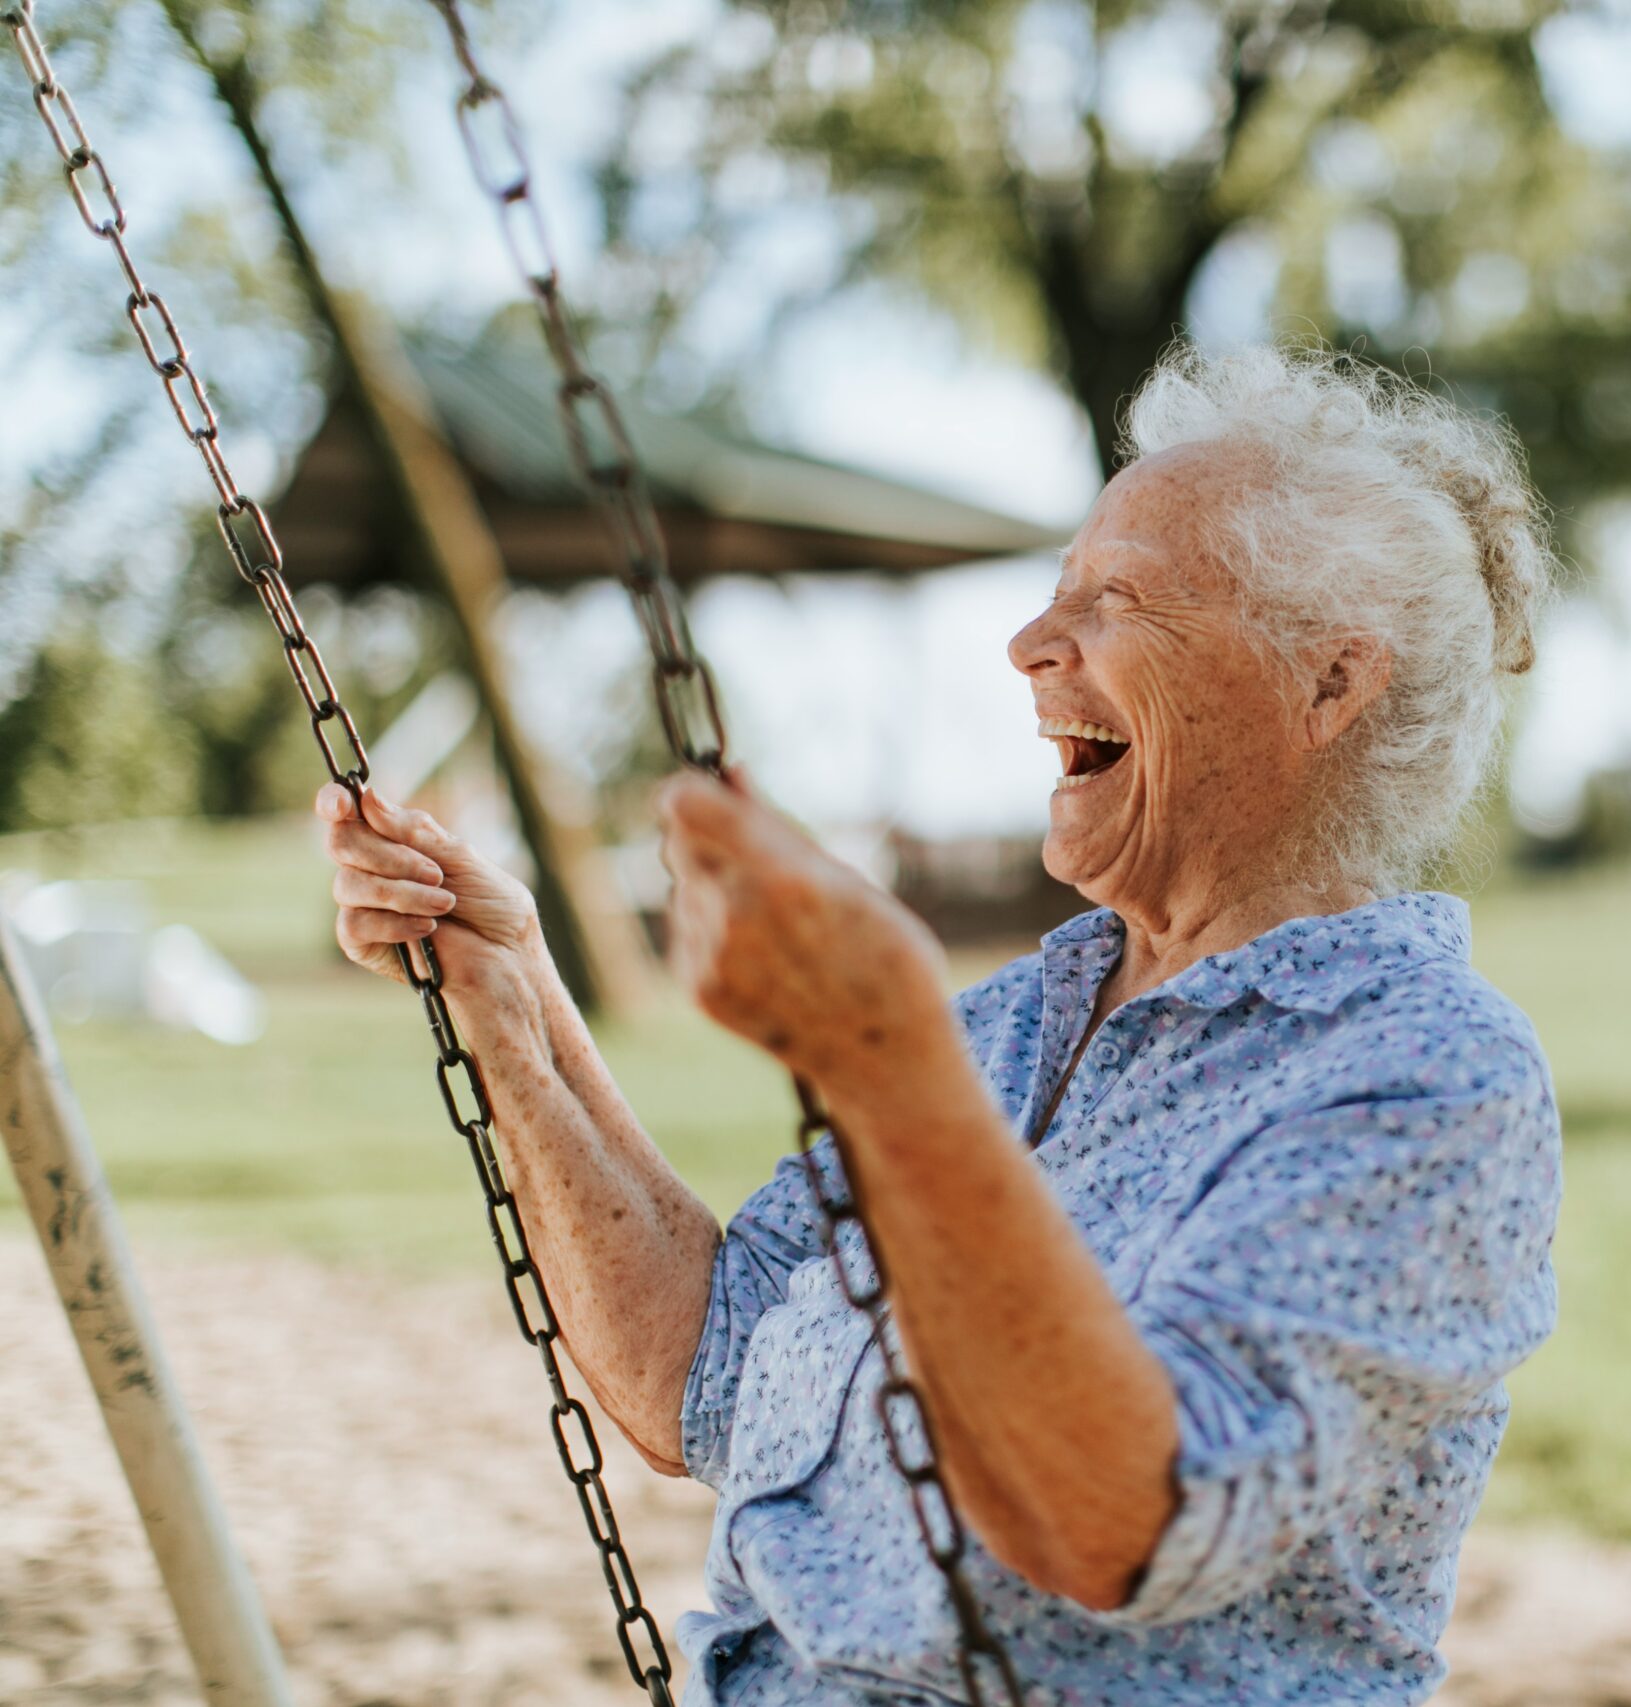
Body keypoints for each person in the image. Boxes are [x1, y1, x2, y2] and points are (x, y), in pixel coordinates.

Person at [313, 342, 1564, 1706]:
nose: (1029, 644)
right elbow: (701, 1375)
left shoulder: (1424, 1075)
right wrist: (507, 996)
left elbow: (1126, 1520)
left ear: (1328, 684)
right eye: (1055, 591)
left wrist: (888, 1066)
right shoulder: (1012, 1026)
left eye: (1116, 599)